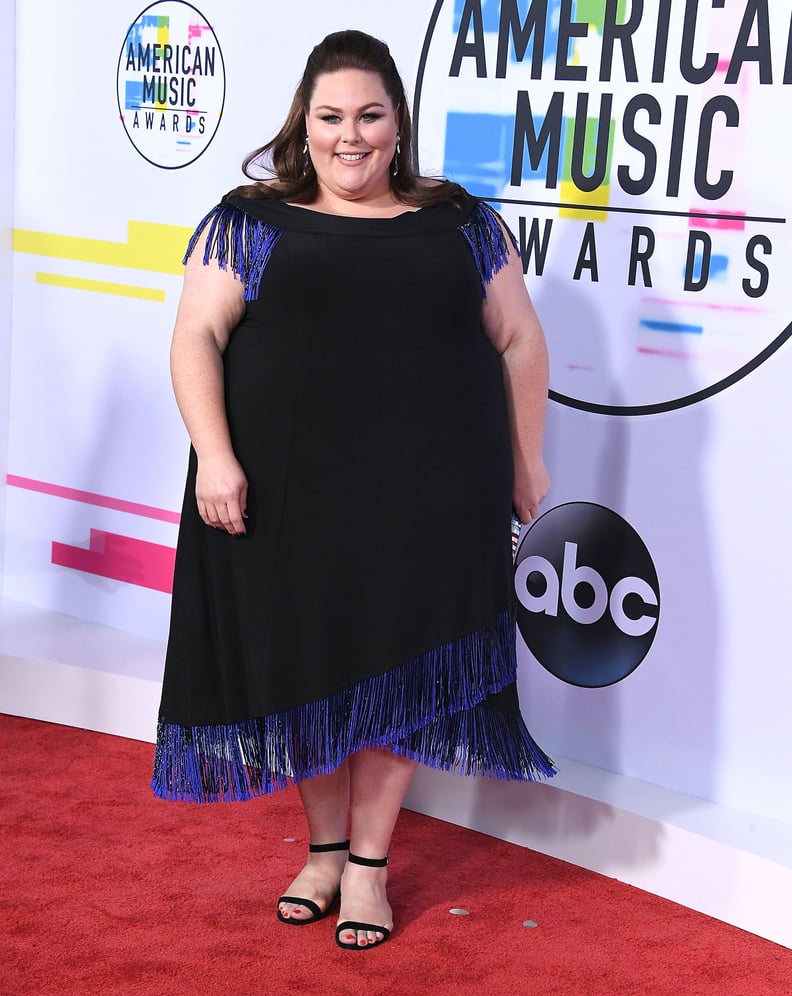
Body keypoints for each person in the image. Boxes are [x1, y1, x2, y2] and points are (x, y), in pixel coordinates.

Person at [152, 28, 555, 951]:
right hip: (287, 496)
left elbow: (520, 339)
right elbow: (195, 339)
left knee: (399, 669)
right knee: (307, 668)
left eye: (370, 115)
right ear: (305, 122)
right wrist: (215, 456)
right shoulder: (250, 219)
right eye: (331, 116)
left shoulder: (459, 223)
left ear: (399, 125)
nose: (351, 135)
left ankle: (368, 867)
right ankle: (323, 849)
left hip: (427, 497)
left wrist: (527, 461)